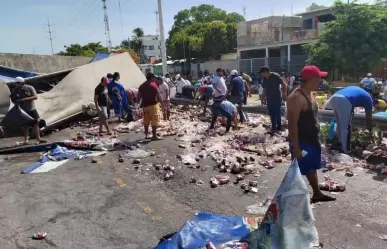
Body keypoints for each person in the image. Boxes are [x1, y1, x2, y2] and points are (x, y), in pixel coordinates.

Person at [287, 65, 335, 203]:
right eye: (318, 77)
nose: (321, 80)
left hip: (312, 139)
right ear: (311, 79)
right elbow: (292, 124)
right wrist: (295, 147)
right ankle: (290, 198)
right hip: (302, 141)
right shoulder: (296, 97)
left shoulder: (311, 93)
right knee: (299, 169)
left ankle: (316, 193)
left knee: (312, 167)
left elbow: (313, 117)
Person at [324, 86, 373, 153]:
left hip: (334, 97)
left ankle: (339, 143)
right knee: (346, 127)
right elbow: (368, 117)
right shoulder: (369, 99)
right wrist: (370, 130)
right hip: (345, 100)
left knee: (339, 124)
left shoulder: (359, 91)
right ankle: (346, 150)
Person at [10, 77, 46, 145]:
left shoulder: (30, 88)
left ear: (21, 83)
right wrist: (16, 101)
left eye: (17, 83)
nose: (16, 85)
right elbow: (13, 99)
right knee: (25, 125)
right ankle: (26, 140)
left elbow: (35, 97)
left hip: (31, 109)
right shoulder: (14, 90)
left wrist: (23, 99)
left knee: (35, 123)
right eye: (15, 83)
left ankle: (38, 138)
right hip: (22, 110)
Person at [137, 73, 165, 140]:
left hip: (145, 106)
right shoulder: (154, 85)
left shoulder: (142, 86)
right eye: (154, 77)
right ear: (152, 77)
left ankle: (146, 135)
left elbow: (138, 97)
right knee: (154, 121)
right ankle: (154, 136)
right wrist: (163, 105)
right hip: (153, 106)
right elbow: (158, 96)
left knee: (146, 121)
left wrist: (137, 106)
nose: (155, 79)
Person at [260, 67, 287, 133]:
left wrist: (284, 93)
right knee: (271, 113)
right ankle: (274, 127)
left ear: (266, 72)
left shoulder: (275, 76)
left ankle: (279, 127)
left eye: (262, 73)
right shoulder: (264, 78)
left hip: (277, 98)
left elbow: (283, 84)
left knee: (277, 113)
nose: (261, 74)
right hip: (269, 99)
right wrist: (263, 98)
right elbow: (265, 89)